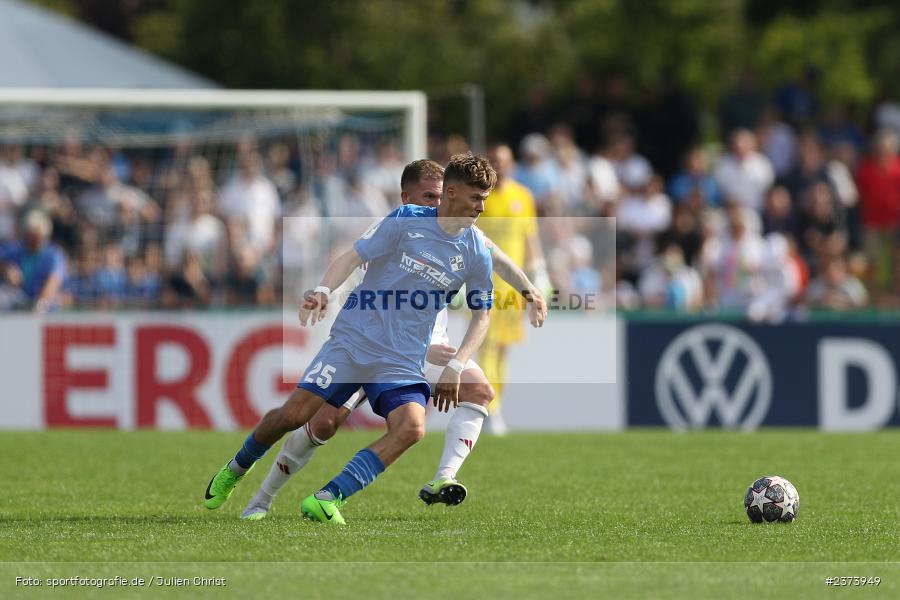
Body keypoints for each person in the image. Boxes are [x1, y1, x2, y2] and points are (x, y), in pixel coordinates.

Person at [239, 159, 547, 520]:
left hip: (417, 353)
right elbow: (351, 265)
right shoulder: (400, 225)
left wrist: (530, 291)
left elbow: (496, 259)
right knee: (320, 423)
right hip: (367, 343)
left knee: (473, 394)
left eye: (438, 194)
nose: (435, 202)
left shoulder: (465, 236)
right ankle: (261, 498)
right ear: (408, 197)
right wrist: (323, 291)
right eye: (428, 195)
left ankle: (443, 477)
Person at [476, 144, 549, 435]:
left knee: (503, 348)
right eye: (495, 161)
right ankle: (488, 408)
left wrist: (539, 271)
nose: (500, 166)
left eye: (504, 161)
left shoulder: (523, 196)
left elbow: (530, 237)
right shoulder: (480, 196)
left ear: (513, 164)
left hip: (514, 286)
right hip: (484, 281)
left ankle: (496, 409)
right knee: (487, 345)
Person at [0, 211, 67, 312]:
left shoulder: (54, 255)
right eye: (30, 236)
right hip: (17, 301)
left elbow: (53, 282)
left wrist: (39, 304)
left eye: (37, 236)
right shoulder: (15, 249)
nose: (33, 240)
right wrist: (7, 268)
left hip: (44, 307)